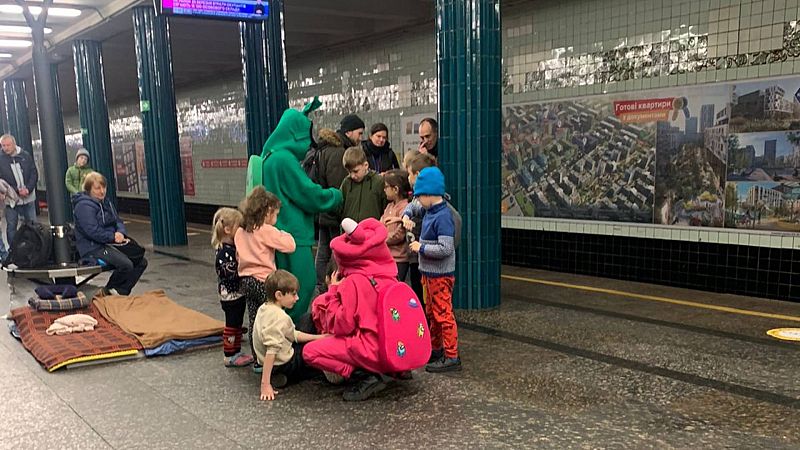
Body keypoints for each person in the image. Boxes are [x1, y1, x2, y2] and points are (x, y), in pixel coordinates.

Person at [254, 98, 342, 323]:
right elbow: (307, 193)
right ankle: (289, 334)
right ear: (296, 135)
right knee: (300, 286)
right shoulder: (284, 160)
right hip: (293, 234)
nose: (309, 144)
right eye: (306, 137)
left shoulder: (270, 156)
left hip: (279, 232)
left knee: (283, 289)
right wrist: (335, 195)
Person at [304, 218, 400, 401]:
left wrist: (333, 291)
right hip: (392, 346)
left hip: (369, 348)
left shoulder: (353, 282)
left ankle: (362, 374)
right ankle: (390, 370)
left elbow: (343, 325)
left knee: (310, 352)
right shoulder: (390, 276)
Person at [235, 186, 296, 373]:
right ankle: (274, 360)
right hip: (264, 281)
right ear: (268, 212)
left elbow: (239, 256)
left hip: (246, 280)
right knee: (272, 320)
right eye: (276, 214)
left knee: (255, 320)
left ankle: (257, 360)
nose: (276, 218)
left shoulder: (241, 230)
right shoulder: (266, 230)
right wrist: (283, 232)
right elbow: (290, 245)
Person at [406, 167, 461, 372]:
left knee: (443, 315)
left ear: (430, 194)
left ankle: (452, 356)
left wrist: (422, 247)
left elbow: (446, 248)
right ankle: (436, 349)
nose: (417, 201)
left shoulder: (443, 217)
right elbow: (412, 208)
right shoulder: (429, 209)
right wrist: (405, 215)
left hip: (440, 276)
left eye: (419, 196)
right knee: (432, 313)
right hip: (428, 274)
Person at [253, 270, 328, 401]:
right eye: (293, 294)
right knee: (312, 358)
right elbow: (272, 350)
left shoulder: (263, 309)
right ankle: (282, 375)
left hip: (272, 361)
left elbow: (292, 334)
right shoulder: (280, 317)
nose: (297, 298)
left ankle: (279, 375)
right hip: (285, 362)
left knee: (305, 323)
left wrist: (319, 337)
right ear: (279, 295)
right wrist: (265, 385)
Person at [73, 172, 147, 296]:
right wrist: (113, 237)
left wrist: (120, 233)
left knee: (141, 261)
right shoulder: (83, 206)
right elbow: (92, 231)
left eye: (104, 187)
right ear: (89, 189)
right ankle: (109, 291)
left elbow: (117, 220)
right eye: (97, 188)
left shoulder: (106, 202)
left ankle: (120, 291)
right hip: (93, 247)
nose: (102, 191)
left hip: (110, 242)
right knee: (126, 264)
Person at [314, 115, 366, 292]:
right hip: (333, 211)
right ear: (348, 132)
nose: (360, 138)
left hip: (323, 208)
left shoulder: (327, 148)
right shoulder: (338, 152)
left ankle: (322, 285)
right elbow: (338, 187)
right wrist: (342, 213)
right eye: (359, 133)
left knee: (323, 250)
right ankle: (329, 286)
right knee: (333, 251)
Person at [211, 207, 254, 368]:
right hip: (230, 295)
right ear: (228, 230)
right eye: (239, 228)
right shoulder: (224, 252)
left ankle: (236, 351)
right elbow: (226, 272)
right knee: (232, 324)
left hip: (237, 293)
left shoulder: (232, 248)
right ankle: (229, 354)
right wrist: (242, 270)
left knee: (237, 323)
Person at [0, 134, 38, 248]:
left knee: (32, 224)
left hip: (29, 197)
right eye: (3, 145)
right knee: (11, 226)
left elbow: (34, 173)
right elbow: (2, 179)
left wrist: (28, 188)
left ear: (14, 144)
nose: (5, 148)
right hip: (11, 200)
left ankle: (35, 248)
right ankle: (14, 251)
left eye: (8, 145)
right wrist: (16, 190)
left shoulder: (25, 155)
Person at [340, 146, 387, 223]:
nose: (352, 176)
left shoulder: (378, 182)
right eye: (349, 172)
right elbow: (340, 207)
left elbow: (385, 207)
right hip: (350, 231)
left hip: (372, 231)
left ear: (366, 165)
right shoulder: (346, 183)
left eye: (355, 171)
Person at [380, 169, 411, 281]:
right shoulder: (389, 206)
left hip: (400, 258)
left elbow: (400, 234)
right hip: (387, 256)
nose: (384, 190)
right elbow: (381, 224)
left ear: (396, 189)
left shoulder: (405, 208)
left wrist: (382, 240)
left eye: (386, 187)